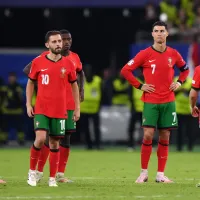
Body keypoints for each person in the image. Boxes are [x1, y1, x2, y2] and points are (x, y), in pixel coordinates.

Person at [121, 21, 189, 183]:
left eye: (162, 31)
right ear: (152, 34)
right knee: (148, 135)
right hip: (151, 101)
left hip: (168, 101)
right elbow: (126, 70)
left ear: (167, 34)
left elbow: (185, 70)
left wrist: (179, 82)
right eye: (156, 31)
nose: (159, 33)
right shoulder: (145, 54)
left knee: (165, 136)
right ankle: (144, 172)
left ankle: (160, 174)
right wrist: (140, 85)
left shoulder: (173, 54)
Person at [23, 29, 84, 183]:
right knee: (44, 138)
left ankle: (59, 175)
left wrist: (80, 96)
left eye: (66, 39)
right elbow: (29, 75)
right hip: (47, 104)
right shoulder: (41, 59)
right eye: (60, 40)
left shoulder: (73, 58)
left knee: (64, 138)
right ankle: (38, 171)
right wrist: (43, 87)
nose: (64, 42)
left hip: (66, 105)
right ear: (49, 43)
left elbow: (79, 76)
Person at [1, 72, 24, 145]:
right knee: (4, 127)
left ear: (15, 78)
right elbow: (2, 98)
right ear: (8, 78)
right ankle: (3, 140)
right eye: (10, 77)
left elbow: (21, 99)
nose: (11, 78)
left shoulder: (18, 87)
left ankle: (21, 140)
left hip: (17, 111)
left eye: (13, 77)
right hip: (6, 111)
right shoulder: (5, 87)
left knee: (19, 127)